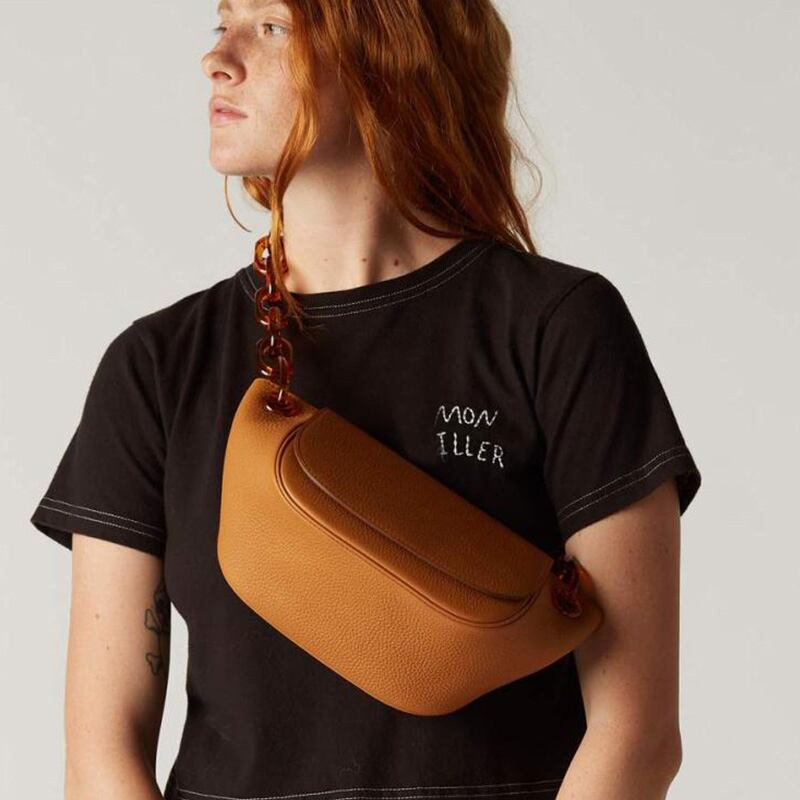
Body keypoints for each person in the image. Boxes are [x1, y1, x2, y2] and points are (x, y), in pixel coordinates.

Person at [29, 1, 702, 799]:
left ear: (391, 52)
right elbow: (100, 760)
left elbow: (636, 734)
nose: (218, 59)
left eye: (271, 27)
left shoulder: (556, 328)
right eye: (222, 24)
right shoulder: (157, 367)